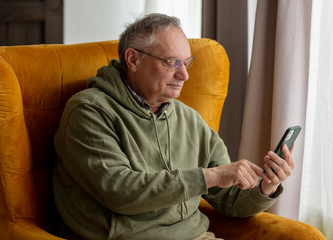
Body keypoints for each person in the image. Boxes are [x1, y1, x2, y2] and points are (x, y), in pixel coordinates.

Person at [53, 13, 294, 240]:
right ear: (133, 59)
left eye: (187, 63)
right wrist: (210, 176)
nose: (184, 75)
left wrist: (267, 186)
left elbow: (231, 201)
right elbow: (120, 192)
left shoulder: (190, 119)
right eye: (172, 63)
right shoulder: (89, 111)